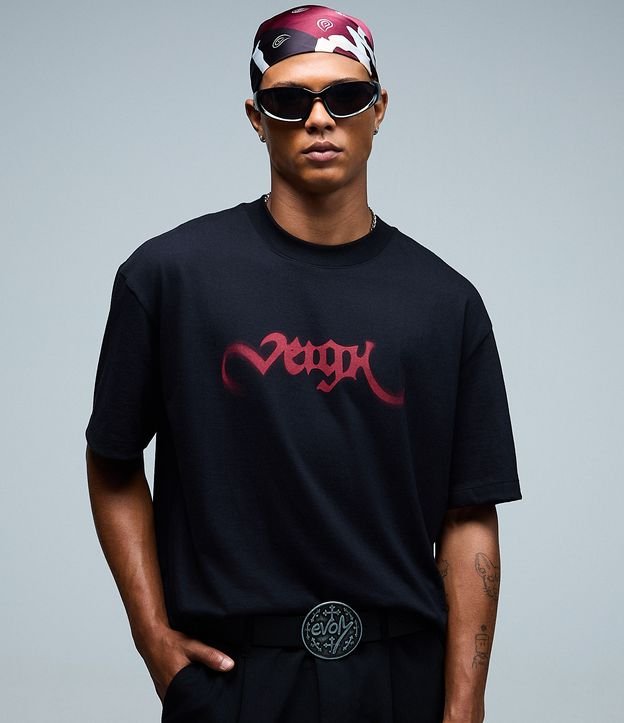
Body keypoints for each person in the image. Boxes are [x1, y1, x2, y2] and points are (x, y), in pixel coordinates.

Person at [85, 5, 522, 722]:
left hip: (402, 681)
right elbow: (111, 459)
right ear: (256, 118)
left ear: (379, 110)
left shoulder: (447, 303)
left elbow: (470, 511)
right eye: (290, 101)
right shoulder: (168, 277)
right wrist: (154, 639)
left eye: (345, 96)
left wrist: (465, 702)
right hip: (235, 681)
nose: (320, 119)